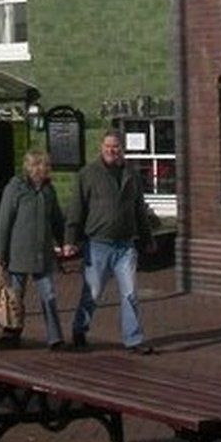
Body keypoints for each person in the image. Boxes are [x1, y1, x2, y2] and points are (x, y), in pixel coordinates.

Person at [63, 129, 157, 353]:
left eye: (115, 147)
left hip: (125, 245)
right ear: (101, 148)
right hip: (98, 244)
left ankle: (133, 340)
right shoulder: (88, 174)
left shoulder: (131, 175)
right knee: (93, 292)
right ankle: (79, 329)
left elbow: (139, 209)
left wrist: (147, 238)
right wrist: (70, 239)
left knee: (130, 293)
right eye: (108, 146)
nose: (111, 150)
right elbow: (77, 208)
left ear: (122, 149)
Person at [0, 148, 65, 349]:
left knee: (48, 296)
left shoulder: (49, 190)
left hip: (43, 253)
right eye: (43, 165)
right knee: (15, 298)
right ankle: (11, 332)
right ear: (33, 167)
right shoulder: (15, 188)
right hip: (18, 253)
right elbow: (4, 221)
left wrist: (65, 241)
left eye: (47, 165)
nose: (47, 169)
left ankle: (55, 337)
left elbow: (56, 219)